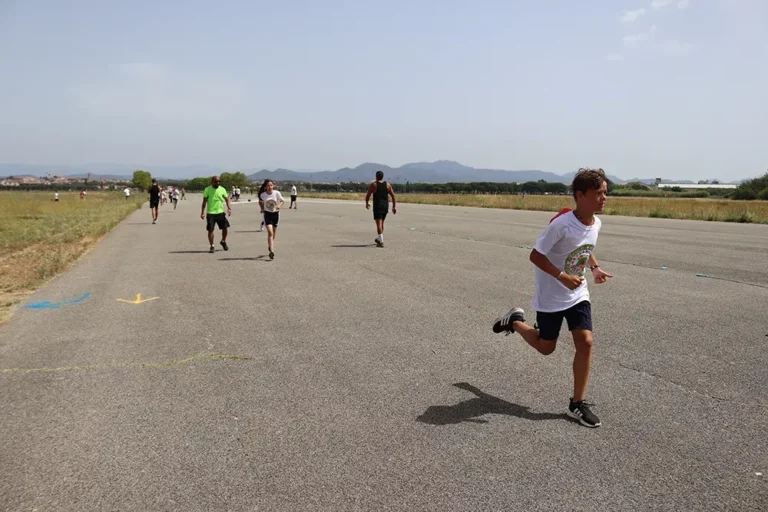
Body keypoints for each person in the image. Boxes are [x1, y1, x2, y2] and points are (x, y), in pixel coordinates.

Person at [491, 168, 613, 428]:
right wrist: (561, 276)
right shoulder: (561, 224)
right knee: (547, 347)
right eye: (599, 193)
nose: (605, 198)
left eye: (606, 193)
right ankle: (514, 321)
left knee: (586, 341)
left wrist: (594, 268)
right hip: (552, 295)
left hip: (577, 292)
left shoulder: (596, 223)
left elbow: (584, 248)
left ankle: (577, 404)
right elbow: (535, 255)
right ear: (580, 195)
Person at [365, 170, 396, 247]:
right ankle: (379, 238)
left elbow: (368, 195)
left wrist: (367, 203)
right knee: (382, 223)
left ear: (376, 176)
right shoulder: (388, 185)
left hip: (378, 206)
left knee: (378, 223)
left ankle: (381, 240)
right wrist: (394, 207)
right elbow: (393, 196)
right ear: (383, 176)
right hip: (385, 206)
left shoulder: (374, 185)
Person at [201, 176, 232, 253]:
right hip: (211, 213)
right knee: (210, 230)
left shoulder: (222, 189)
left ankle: (223, 241)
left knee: (225, 228)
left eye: (219, 181)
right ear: (211, 182)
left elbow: (227, 199)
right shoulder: (207, 190)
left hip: (220, 212)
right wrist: (202, 212)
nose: (217, 183)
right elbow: (204, 202)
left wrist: (229, 208)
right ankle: (212, 246)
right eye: (216, 181)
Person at [258, 179, 284, 260]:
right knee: (270, 232)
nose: (270, 187)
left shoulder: (277, 193)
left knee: (274, 234)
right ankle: (271, 252)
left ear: (273, 186)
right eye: (268, 185)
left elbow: (282, 200)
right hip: (267, 215)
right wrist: (262, 208)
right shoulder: (263, 195)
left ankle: (270, 245)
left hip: (275, 214)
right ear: (265, 187)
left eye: (271, 185)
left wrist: (279, 205)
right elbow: (260, 202)